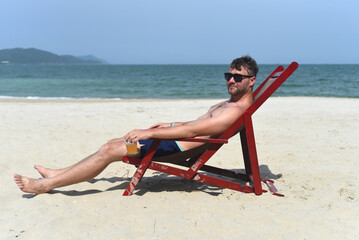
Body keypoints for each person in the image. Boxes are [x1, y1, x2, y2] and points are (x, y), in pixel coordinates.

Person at [14, 55, 258, 194]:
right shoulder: (227, 104)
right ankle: (58, 173)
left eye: (238, 77)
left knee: (109, 151)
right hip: (169, 141)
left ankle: (46, 185)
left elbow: (193, 131)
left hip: (173, 148)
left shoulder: (233, 111)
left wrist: (151, 132)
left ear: (252, 80)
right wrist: (168, 123)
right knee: (111, 144)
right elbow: (195, 123)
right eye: (229, 76)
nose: (232, 80)